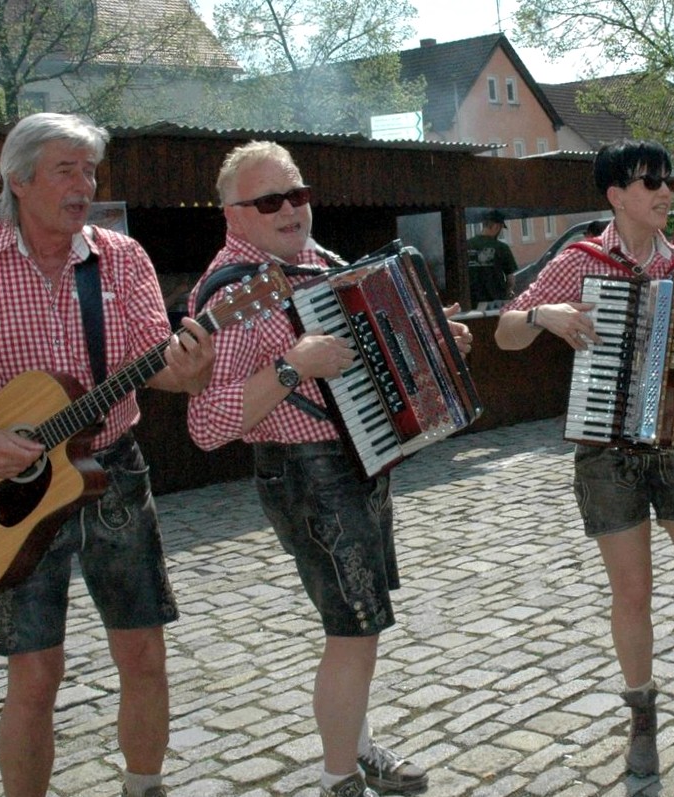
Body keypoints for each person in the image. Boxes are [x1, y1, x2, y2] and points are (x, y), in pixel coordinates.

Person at [0, 113, 215, 797]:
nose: (84, 185)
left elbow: (154, 364)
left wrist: (195, 367)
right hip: (8, 492)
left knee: (144, 655)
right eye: (66, 169)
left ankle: (144, 786)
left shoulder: (122, 258)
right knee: (35, 673)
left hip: (112, 472)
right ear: (19, 179)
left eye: (90, 171)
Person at [186, 141, 473, 797]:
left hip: (360, 459)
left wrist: (438, 341)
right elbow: (206, 426)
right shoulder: (229, 290)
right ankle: (337, 777)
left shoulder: (324, 264)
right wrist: (293, 366)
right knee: (354, 627)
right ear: (233, 214)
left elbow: (383, 352)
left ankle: (358, 746)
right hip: (301, 469)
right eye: (269, 201)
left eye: (297, 194)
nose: (290, 209)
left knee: (360, 623)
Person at [496, 139, 674, 778]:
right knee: (632, 592)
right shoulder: (581, 260)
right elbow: (506, 332)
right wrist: (544, 312)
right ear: (616, 195)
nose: (664, 192)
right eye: (649, 181)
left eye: (668, 179)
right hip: (609, 453)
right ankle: (643, 717)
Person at [466, 209, 519, 304]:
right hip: (496, 302)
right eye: (500, 228)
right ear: (495, 226)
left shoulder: (466, 245)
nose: (500, 232)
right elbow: (510, 279)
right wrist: (508, 292)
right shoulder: (502, 248)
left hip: (471, 302)